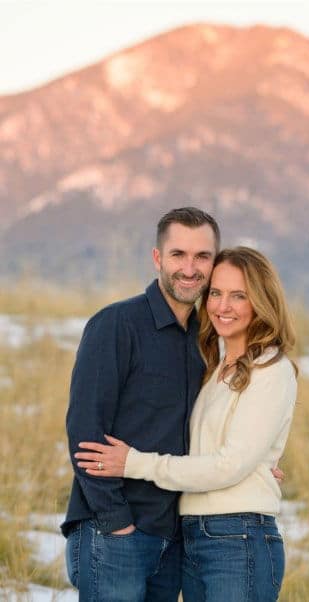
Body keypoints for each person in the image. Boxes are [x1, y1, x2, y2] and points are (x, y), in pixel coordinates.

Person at [75, 246, 298, 602]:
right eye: (216, 293)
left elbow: (228, 465)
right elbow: (213, 449)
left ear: (262, 301)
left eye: (239, 296)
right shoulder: (215, 366)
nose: (223, 306)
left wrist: (135, 463)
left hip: (238, 539)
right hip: (194, 535)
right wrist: (256, 465)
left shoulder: (270, 368)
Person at [62, 207, 220, 602]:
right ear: (157, 258)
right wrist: (116, 523)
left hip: (175, 535)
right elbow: (85, 429)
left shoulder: (208, 339)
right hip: (116, 533)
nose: (190, 268)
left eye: (202, 256)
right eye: (178, 254)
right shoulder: (117, 325)